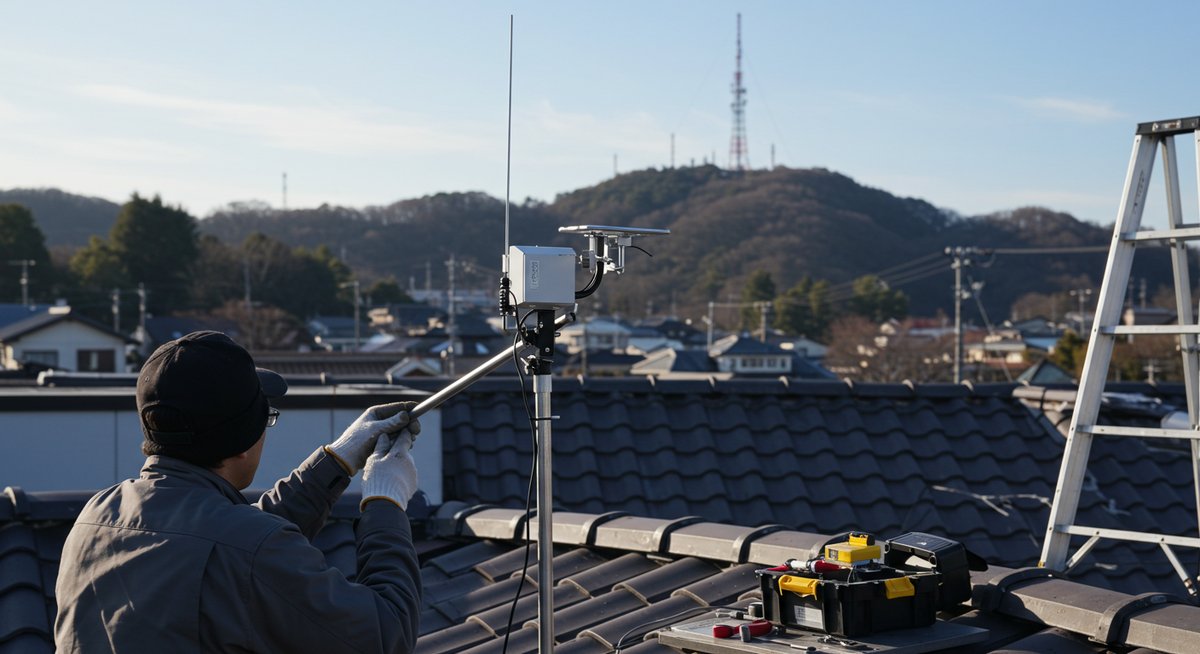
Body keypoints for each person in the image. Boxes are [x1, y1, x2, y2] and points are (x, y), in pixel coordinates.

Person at [54, 331, 423, 653]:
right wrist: (385, 501)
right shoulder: (244, 550)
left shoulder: (96, 517)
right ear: (244, 440)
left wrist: (337, 460)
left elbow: (224, 544)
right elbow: (385, 633)